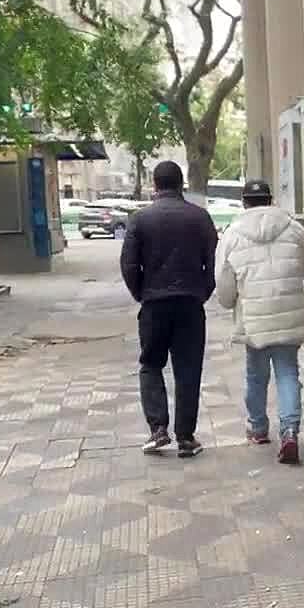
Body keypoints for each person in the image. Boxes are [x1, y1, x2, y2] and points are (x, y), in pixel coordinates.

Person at [120, 161, 218, 457]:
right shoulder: (200, 217)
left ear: (155, 184)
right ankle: (186, 438)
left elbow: (129, 264)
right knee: (188, 369)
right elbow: (212, 263)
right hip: (190, 304)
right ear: (181, 183)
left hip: (154, 304)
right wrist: (202, 292)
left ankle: (158, 429)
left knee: (151, 364)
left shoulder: (140, 219)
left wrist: (142, 293)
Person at [214, 180, 304, 464]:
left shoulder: (232, 234)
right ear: (270, 200)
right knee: (288, 373)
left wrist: (229, 301)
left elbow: (224, 282)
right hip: (288, 310)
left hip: (254, 317)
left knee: (256, 376)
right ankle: (290, 431)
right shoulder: (293, 228)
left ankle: (258, 428)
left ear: (244, 202)